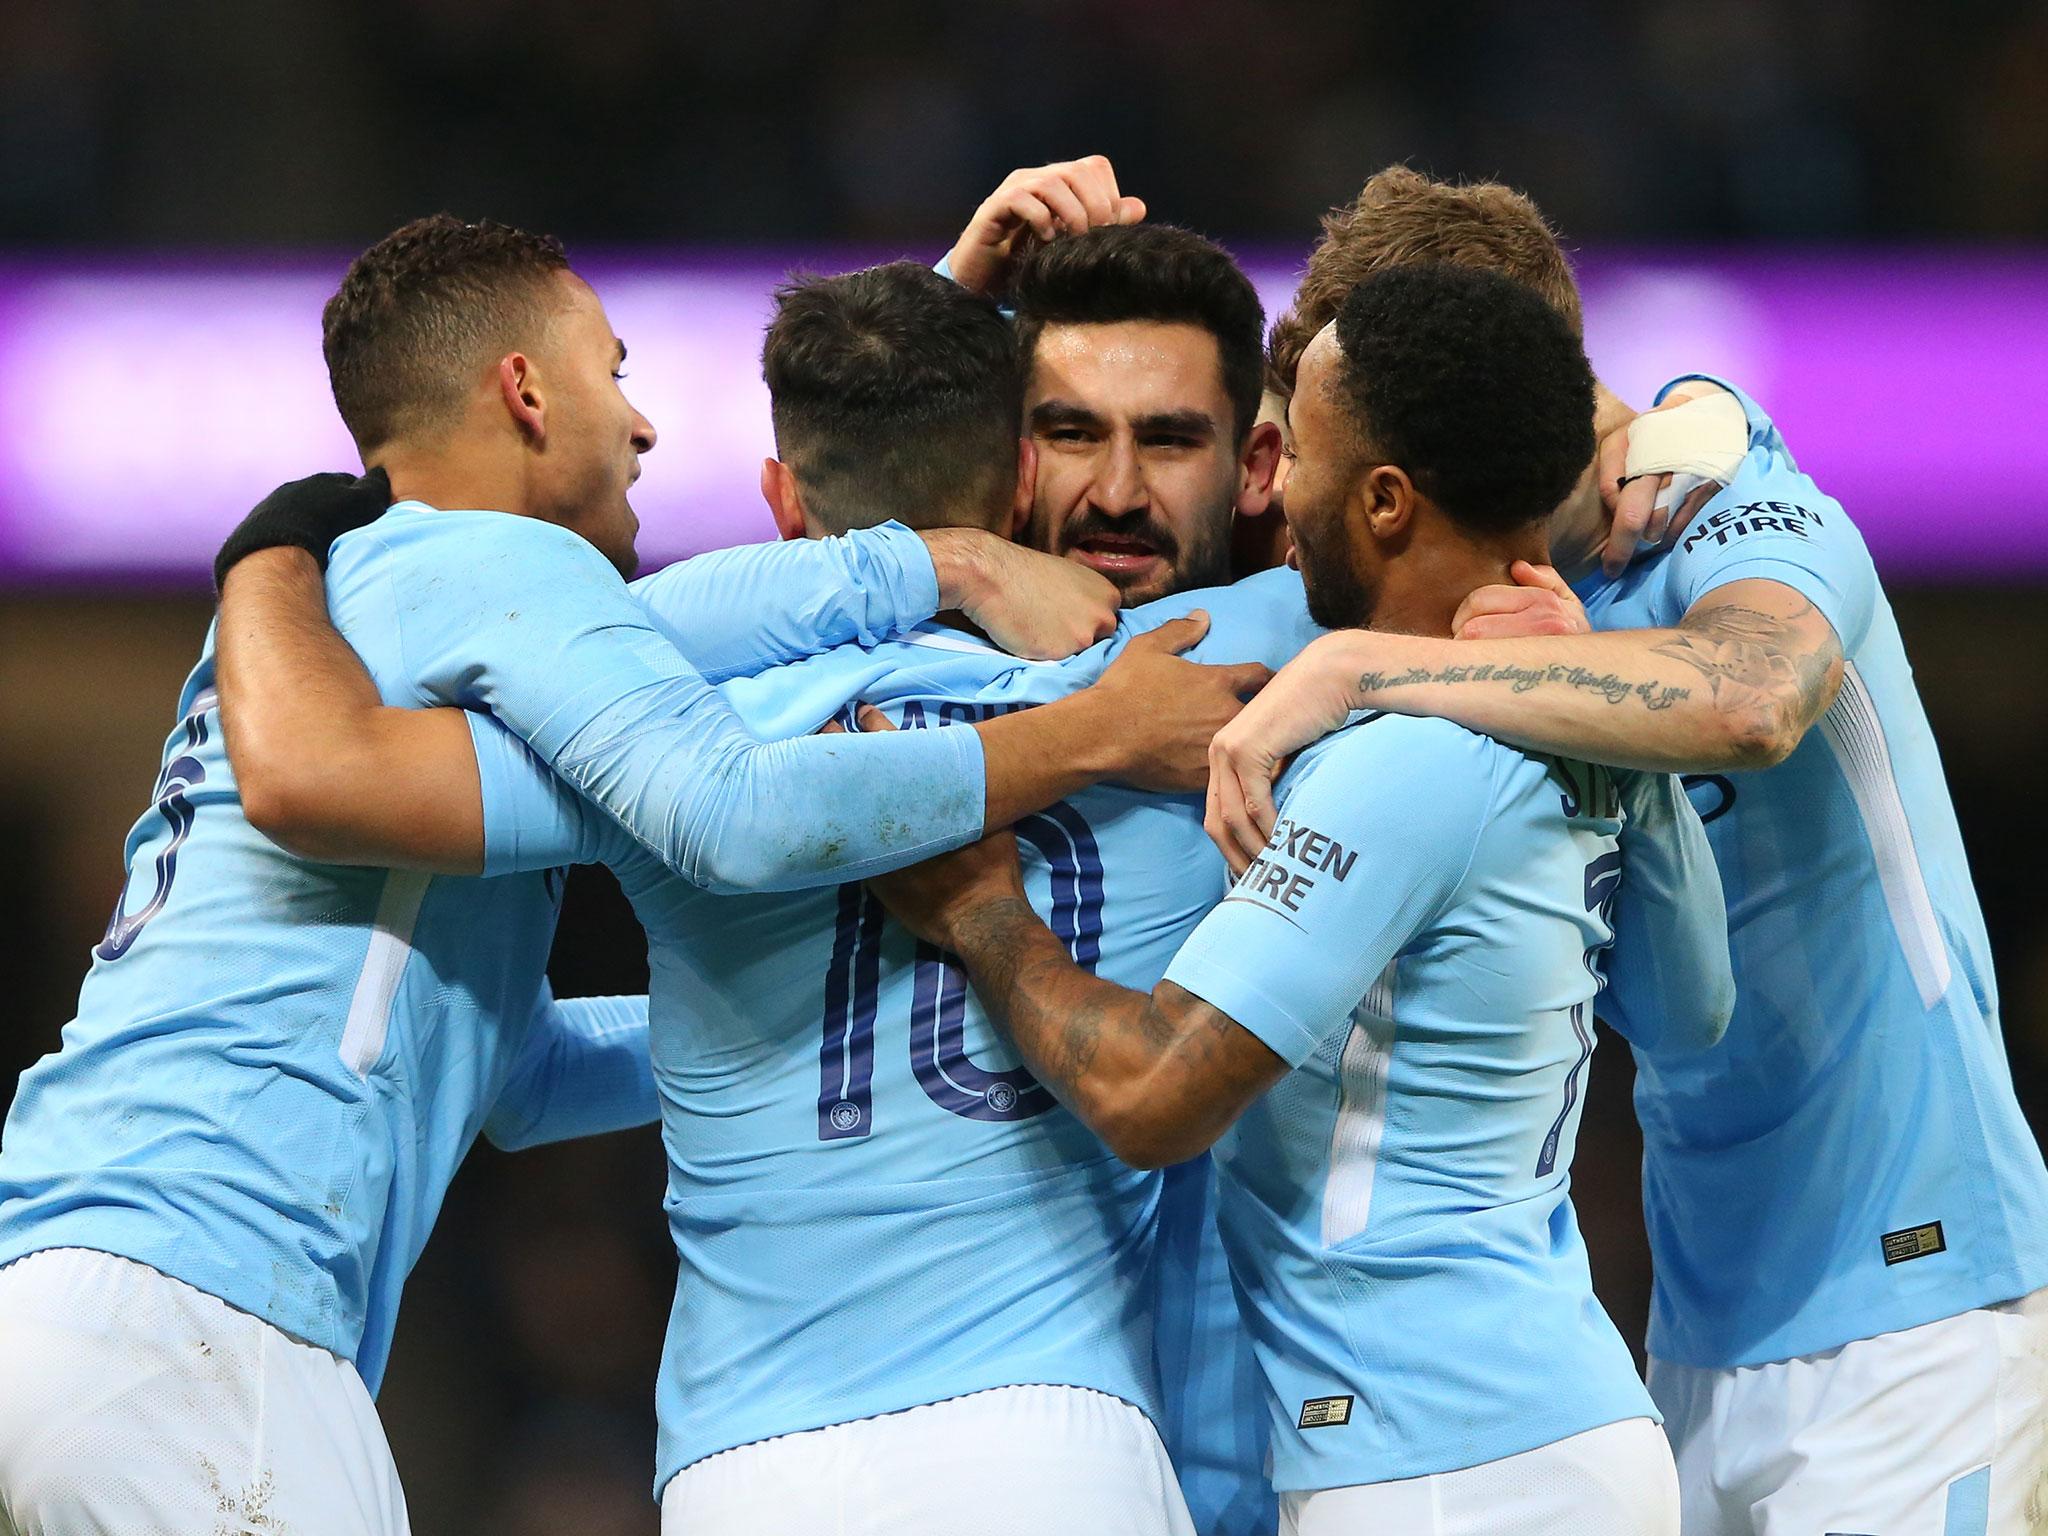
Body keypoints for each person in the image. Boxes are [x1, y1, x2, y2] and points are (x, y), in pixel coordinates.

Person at [0, 217, 1204, 1536]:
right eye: (615, 371)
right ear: (524, 392)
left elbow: (516, 1073)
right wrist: (1084, 730)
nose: (641, 427)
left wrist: (928, 511)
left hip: (76, 1290)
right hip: (199, 1308)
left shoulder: (382, 611)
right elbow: (728, 808)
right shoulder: (488, 555)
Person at [1213, 169, 2048, 1535]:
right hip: (1696, 1333)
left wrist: (1371, 671)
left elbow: (1751, 699)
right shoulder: (1473, 590)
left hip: (1921, 1305)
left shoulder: (1733, 510)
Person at [868, 262, 1733, 1536]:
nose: (1278, 492)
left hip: (1440, 1456)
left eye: (1302, 454)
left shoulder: (1402, 765)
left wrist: (977, 909)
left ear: (1382, 500)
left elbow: (1151, 1093)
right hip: (1534, 1423)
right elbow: (1694, 1012)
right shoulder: (1572, 717)